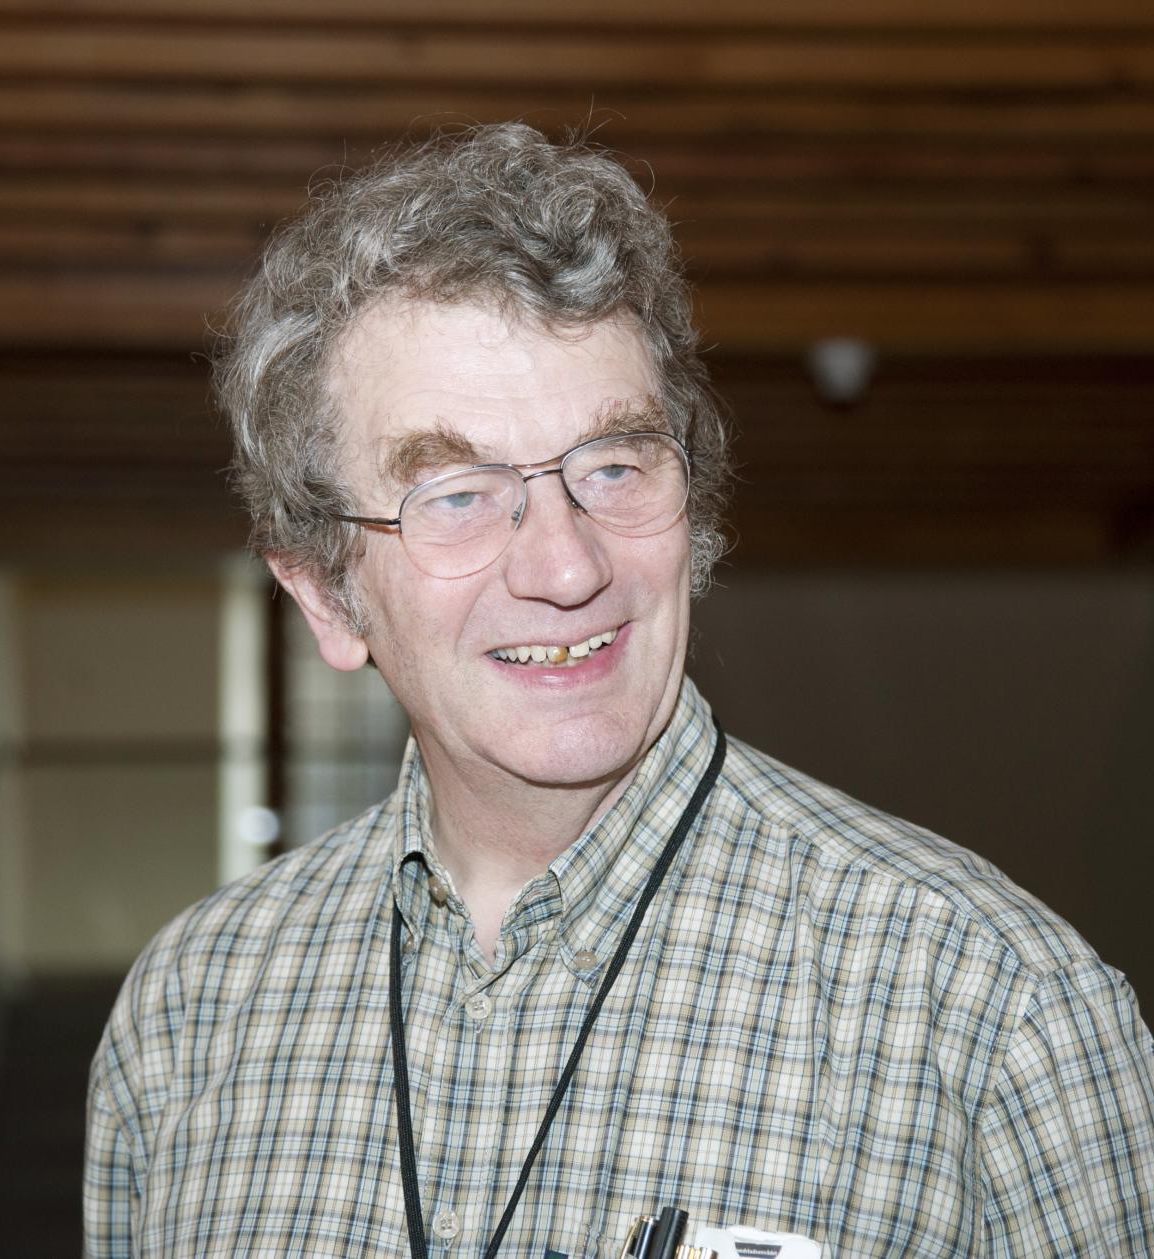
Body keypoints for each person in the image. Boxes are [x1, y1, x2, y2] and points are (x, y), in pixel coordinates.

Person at [84, 124, 1154, 1258]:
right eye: (454, 493)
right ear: (327, 597)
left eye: (612, 465)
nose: (565, 566)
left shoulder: (993, 1008)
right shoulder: (193, 1011)